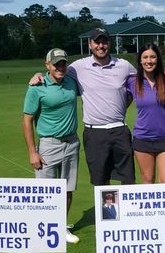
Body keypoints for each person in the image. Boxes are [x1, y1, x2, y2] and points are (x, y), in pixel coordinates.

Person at [29, 29, 137, 186]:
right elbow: (56, 71)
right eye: (97, 42)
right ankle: (104, 211)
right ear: (90, 44)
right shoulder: (78, 67)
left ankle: (125, 211)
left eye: (104, 41)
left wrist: (123, 104)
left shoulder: (124, 65)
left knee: (128, 180)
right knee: (100, 182)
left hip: (120, 129)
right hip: (94, 133)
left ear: (109, 43)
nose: (101, 45)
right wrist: (38, 74)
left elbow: (143, 81)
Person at [23, 48, 80, 247]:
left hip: (72, 143)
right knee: (44, 193)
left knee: (67, 189)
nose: (60, 67)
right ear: (47, 65)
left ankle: (61, 227)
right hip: (48, 145)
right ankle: (38, 236)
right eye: (56, 64)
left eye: (63, 63)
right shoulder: (36, 87)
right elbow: (27, 120)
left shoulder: (72, 81)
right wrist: (32, 151)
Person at [126, 43, 165, 184]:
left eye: (153, 57)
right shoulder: (132, 81)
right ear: (140, 61)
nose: (149, 61)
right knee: (148, 179)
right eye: (145, 57)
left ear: (158, 59)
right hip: (142, 138)